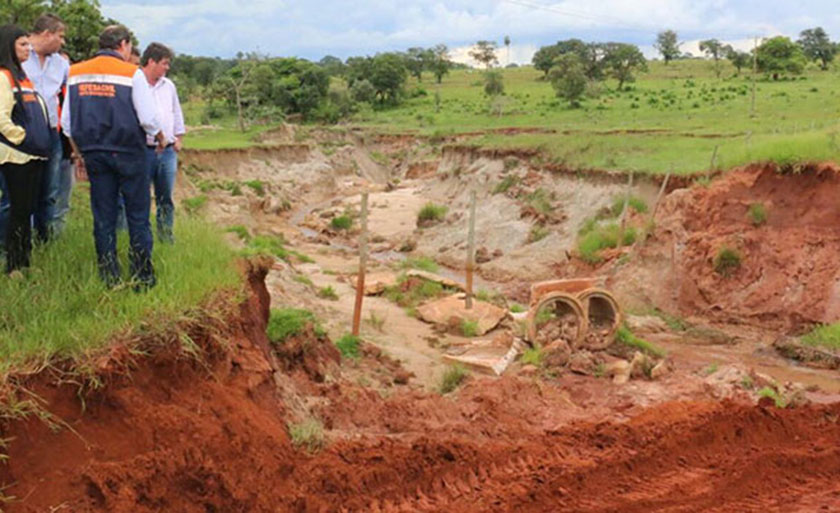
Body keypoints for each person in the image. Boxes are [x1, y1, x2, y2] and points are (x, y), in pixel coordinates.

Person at [61, 25, 164, 289]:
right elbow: (149, 119)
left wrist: (80, 153)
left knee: (104, 216)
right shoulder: (132, 73)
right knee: (138, 216)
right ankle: (143, 276)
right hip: (130, 151)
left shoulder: (75, 72)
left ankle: (109, 276)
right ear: (124, 45)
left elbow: (67, 123)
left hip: (94, 153)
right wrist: (160, 135)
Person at [0, 25, 51, 275]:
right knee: (18, 211)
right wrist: (22, 138)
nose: (28, 49)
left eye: (28, 44)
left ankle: (25, 261)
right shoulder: (3, 76)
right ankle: (14, 265)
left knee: (27, 209)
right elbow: (1, 118)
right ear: (9, 45)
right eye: (22, 44)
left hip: (34, 154)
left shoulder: (22, 76)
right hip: (16, 155)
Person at [22, 13, 69, 241]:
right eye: (60, 36)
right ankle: (18, 241)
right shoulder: (17, 54)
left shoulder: (61, 63)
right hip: (22, 133)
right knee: (21, 191)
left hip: (51, 133)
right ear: (47, 34)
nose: (63, 42)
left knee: (49, 192)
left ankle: (45, 241)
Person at [141, 42, 184, 244]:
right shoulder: (136, 83)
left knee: (165, 198)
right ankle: (142, 238)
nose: (167, 68)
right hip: (143, 149)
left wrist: (179, 137)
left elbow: (176, 111)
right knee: (140, 197)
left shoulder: (169, 86)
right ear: (151, 61)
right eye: (165, 63)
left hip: (167, 151)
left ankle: (166, 238)